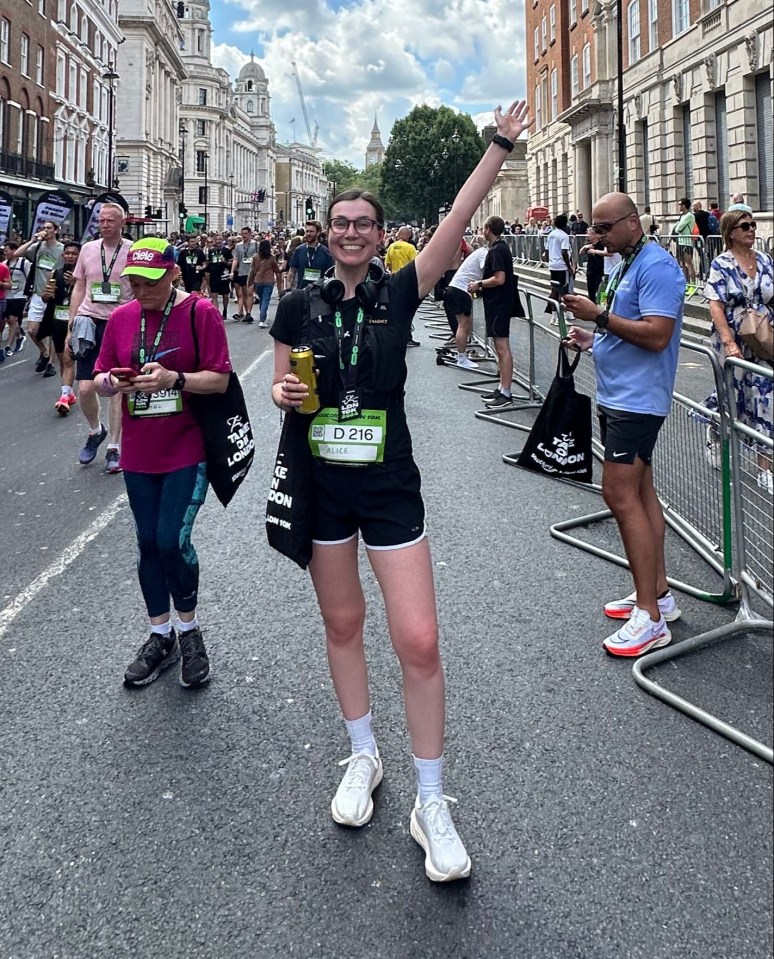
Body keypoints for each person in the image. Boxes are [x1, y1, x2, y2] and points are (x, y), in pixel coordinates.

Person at [270, 100, 532, 883]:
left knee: (418, 639)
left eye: (363, 222)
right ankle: (362, 754)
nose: (351, 231)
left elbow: (459, 215)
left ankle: (431, 798)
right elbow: (283, 383)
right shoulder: (295, 304)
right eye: (339, 221)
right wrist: (283, 394)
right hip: (322, 486)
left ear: (380, 235)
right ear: (326, 233)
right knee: (342, 624)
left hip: (390, 487)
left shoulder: (400, 290)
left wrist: (500, 144)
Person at [92, 237, 232, 687]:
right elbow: (100, 375)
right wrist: (112, 383)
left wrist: (176, 379)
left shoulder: (200, 312)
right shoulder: (120, 318)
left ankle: (189, 631)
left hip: (187, 449)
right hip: (139, 453)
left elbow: (220, 379)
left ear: (173, 273)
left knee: (172, 541)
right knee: (148, 544)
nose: (140, 288)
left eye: (149, 280)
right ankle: (160, 635)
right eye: (133, 280)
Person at [563, 192, 686, 657]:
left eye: (604, 227)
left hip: (638, 401)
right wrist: (595, 338)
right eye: (594, 228)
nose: (596, 236)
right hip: (619, 394)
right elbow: (624, 325)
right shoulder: (626, 262)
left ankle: (650, 620)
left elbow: (657, 335)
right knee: (640, 493)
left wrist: (599, 316)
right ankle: (656, 596)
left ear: (633, 224)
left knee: (618, 494)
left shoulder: (656, 266)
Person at [703, 209, 773, 494]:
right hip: (733, 341)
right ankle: (715, 430)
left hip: (764, 340)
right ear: (730, 232)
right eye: (745, 226)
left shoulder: (766, 260)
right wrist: (729, 343)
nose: (751, 230)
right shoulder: (721, 264)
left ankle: (765, 467)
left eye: (753, 225)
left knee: (766, 399)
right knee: (734, 399)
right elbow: (715, 304)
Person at [67, 202, 133, 473]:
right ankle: (96, 431)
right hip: (89, 322)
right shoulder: (88, 249)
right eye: (101, 221)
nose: (104, 225)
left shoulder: (132, 250)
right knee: (84, 388)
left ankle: (114, 449)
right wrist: (71, 325)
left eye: (110, 221)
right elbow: (79, 286)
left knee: (115, 388)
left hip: (119, 323)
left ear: (121, 224)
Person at [470, 216, 516, 407]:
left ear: (488, 229)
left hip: (499, 304)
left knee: (502, 347)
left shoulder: (498, 250)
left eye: (483, 228)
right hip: (497, 303)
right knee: (500, 347)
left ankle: (506, 391)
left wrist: (478, 284)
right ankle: (501, 388)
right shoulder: (499, 248)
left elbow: (499, 278)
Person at [15, 221, 64, 376]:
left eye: (49, 228)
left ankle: (50, 364)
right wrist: (32, 240)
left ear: (56, 230)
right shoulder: (37, 247)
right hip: (37, 294)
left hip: (53, 294)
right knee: (32, 330)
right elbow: (17, 254)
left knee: (52, 332)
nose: (45, 230)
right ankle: (44, 353)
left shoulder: (62, 249)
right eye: (44, 228)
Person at [39, 240, 80, 415]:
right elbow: (45, 298)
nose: (70, 256)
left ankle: (64, 395)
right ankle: (67, 392)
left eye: (73, 253)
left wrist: (75, 283)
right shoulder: (54, 274)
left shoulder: (83, 275)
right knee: (64, 358)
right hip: (58, 320)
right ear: (63, 255)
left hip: (77, 320)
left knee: (69, 358)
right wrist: (47, 296)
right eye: (67, 253)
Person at [443, 244, 488, 368]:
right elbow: (487, 271)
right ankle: (461, 359)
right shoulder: (484, 253)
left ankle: (462, 355)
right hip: (461, 290)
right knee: (463, 325)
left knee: (465, 324)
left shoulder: (477, 254)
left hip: (456, 289)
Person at [287, 220, 334, 291]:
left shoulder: (326, 252)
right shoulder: (299, 250)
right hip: (301, 292)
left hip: (319, 295)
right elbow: (292, 271)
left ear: (318, 233)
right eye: (307, 231)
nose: (308, 234)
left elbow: (330, 275)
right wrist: (288, 289)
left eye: (311, 231)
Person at [2, 241, 29, 356]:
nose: (5, 253)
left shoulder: (25, 263)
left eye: (7, 250)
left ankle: (8, 346)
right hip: (7, 296)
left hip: (20, 295)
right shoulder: (4, 263)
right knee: (8, 320)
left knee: (13, 319)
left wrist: (29, 294)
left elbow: (30, 278)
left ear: (14, 250)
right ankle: (20, 336)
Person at [247, 238, 282, 328]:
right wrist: (280, 269)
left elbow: (252, 270)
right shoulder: (271, 258)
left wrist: (249, 281)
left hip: (258, 281)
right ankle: (262, 319)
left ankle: (263, 317)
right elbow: (276, 269)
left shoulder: (255, 257)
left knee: (262, 299)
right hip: (269, 281)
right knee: (265, 300)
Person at [231, 227, 258, 322]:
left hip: (252, 272)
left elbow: (259, 258)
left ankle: (249, 313)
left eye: (246, 233)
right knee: (244, 294)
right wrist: (232, 271)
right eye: (242, 233)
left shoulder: (256, 245)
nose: (244, 235)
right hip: (242, 271)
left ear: (250, 234)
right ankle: (247, 313)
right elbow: (236, 259)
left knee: (250, 293)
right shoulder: (238, 246)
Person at [205, 233, 233, 319]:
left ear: (222, 240)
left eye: (220, 240)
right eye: (216, 240)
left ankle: (225, 310)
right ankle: (216, 313)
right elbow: (209, 263)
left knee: (225, 295)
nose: (218, 241)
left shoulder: (227, 251)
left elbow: (231, 263)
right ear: (214, 241)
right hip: (214, 274)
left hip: (224, 275)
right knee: (214, 295)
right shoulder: (211, 251)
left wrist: (225, 262)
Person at [672, 197, 696, 284]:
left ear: (684, 205)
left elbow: (678, 228)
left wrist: (678, 227)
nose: (679, 206)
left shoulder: (690, 216)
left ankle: (693, 284)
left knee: (688, 264)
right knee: (683, 265)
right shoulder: (682, 216)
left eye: (680, 204)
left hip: (687, 242)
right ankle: (687, 283)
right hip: (681, 242)